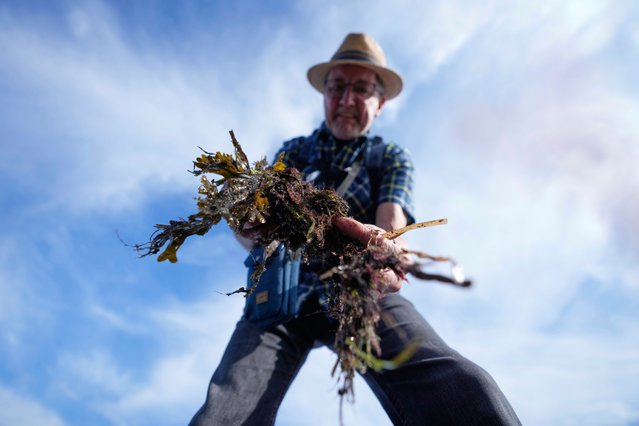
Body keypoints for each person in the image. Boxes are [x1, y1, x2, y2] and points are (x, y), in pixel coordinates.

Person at [190, 33, 520, 425]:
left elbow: (391, 221)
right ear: (325, 94)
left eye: (361, 90)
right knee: (227, 411)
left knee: (457, 385)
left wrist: (383, 254)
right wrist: (247, 223)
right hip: (282, 292)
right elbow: (255, 229)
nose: (347, 100)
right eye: (337, 87)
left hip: (361, 288)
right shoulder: (293, 153)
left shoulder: (390, 157)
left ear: (379, 104)